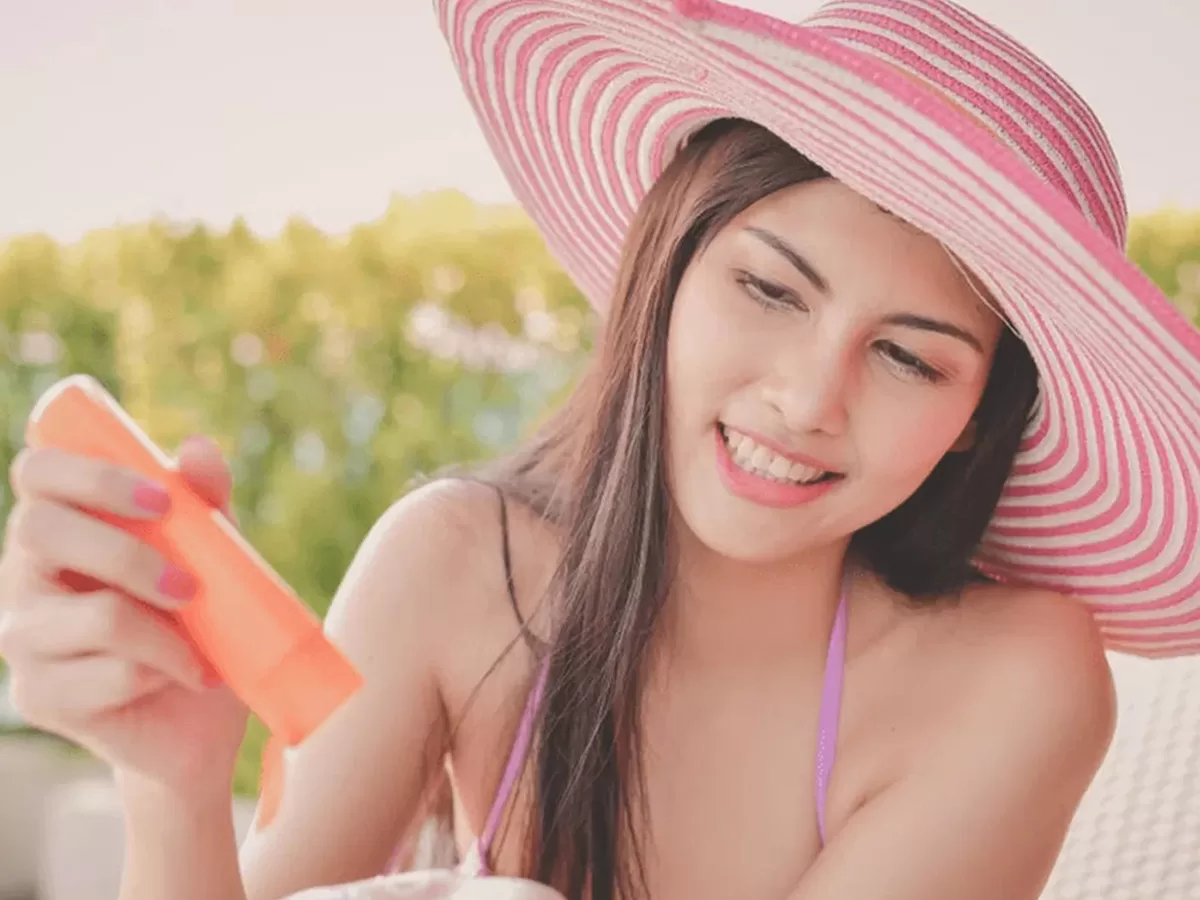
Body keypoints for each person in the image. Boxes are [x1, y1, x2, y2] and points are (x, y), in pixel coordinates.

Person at [1, 0, 1198, 898]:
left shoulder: (1013, 677)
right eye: (770, 289)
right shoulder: (459, 566)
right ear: (668, 268)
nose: (805, 399)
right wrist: (171, 786)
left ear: (977, 417)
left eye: (908, 357)